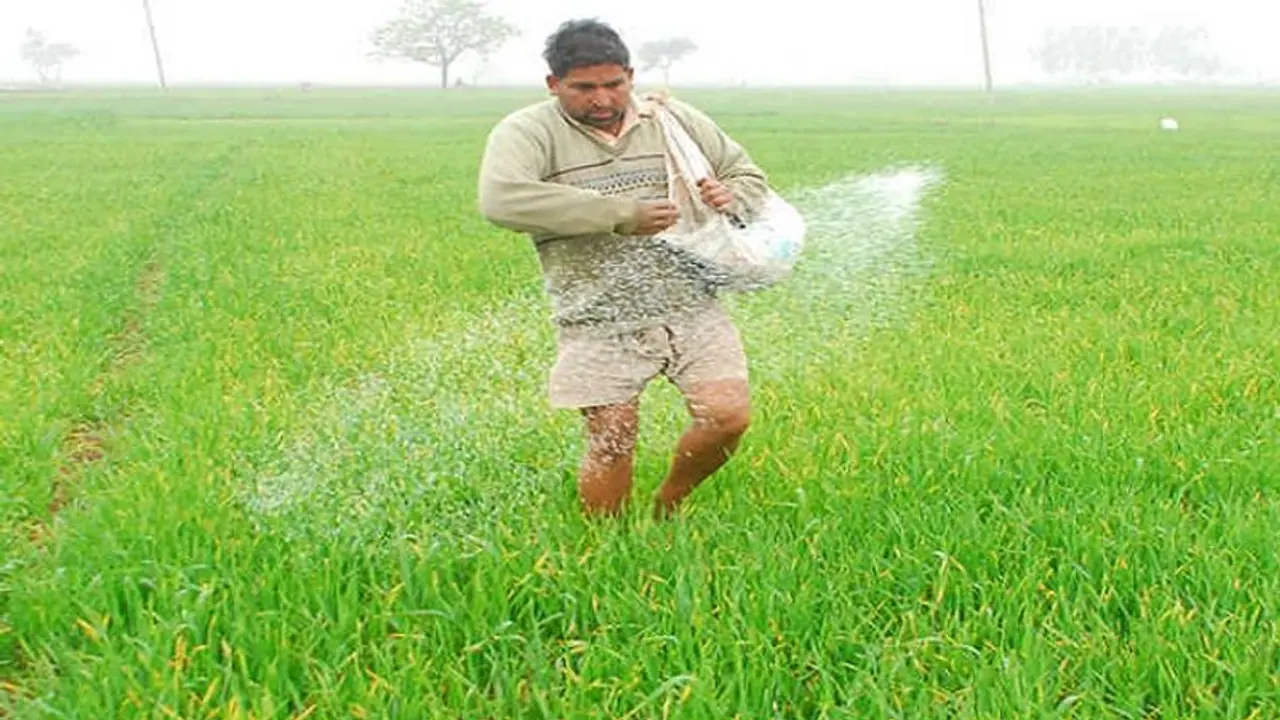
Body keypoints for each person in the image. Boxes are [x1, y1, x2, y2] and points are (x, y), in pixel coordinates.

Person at [477, 18, 774, 520]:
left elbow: (746, 175)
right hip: (597, 314)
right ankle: (607, 547)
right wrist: (622, 215)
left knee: (728, 418)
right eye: (584, 88)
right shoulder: (528, 131)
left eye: (614, 84)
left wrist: (733, 195)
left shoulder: (671, 120)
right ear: (553, 85)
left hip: (692, 304)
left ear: (631, 75)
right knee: (612, 438)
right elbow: (501, 199)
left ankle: (669, 502)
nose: (602, 99)